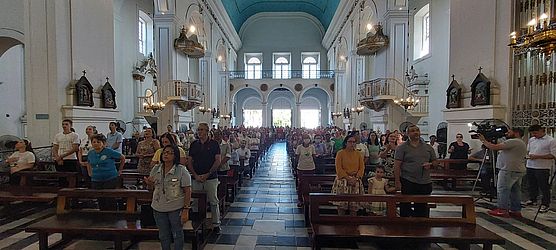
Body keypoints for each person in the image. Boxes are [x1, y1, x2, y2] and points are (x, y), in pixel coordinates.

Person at [144, 145, 192, 250]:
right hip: (158, 207)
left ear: (175, 156)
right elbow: (150, 188)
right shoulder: (156, 168)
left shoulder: (181, 170)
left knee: (177, 233)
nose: (166, 155)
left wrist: (185, 209)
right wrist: (149, 184)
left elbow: (187, 191)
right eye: (165, 152)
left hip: (175, 207)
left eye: (170, 153)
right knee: (163, 235)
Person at [479, 127, 527, 218]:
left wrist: (483, 140)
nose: (506, 133)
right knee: (515, 191)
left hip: (508, 169)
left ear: (516, 133)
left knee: (502, 189)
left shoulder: (514, 141)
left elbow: (494, 147)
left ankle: (502, 210)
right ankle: (515, 210)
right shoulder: (520, 142)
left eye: (509, 132)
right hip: (517, 169)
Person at [394, 125, 437, 217]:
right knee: (405, 206)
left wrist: (431, 165)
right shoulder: (402, 147)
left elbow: (435, 162)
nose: (416, 132)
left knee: (422, 208)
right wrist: (397, 181)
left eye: (417, 130)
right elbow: (397, 165)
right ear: (407, 133)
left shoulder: (428, 147)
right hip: (408, 180)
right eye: (413, 131)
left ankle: (420, 228)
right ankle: (405, 229)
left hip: (424, 181)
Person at [187, 123, 222, 233]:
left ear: (207, 131)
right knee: (196, 201)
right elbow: (189, 161)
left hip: (211, 178)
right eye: (198, 130)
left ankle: (216, 224)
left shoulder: (214, 144)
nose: (199, 132)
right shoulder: (194, 144)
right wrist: (195, 175)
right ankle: (198, 223)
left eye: (202, 130)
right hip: (196, 177)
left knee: (213, 201)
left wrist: (207, 174)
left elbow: (217, 161)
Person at [87, 134, 125, 210]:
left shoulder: (109, 151)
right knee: (100, 198)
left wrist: (120, 170)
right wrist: (90, 173)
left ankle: (112, 215)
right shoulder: (90, 153)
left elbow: (122, 157)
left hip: (110, 178)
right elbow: (88, 163)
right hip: (96, 179)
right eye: (94, 142)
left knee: (109, 198)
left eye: (98, 142)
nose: (96, 143)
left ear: (103, 143)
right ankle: (102, 215)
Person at [524, 125, 556, 213]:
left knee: (544, 186)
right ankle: (532, 199)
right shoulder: (532, 140)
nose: (534, 135)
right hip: (530, 165)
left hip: (542, 167)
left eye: (535, 133)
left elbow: (552, 155)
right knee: (531, 184)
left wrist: (538, 156)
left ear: (541, 130)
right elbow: (528, 151)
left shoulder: (551, 141)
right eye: (532, 133)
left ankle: (545, 203)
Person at [332, 134, 365, 215]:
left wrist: (356, 178)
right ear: (345, 143)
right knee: (341, 206)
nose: (352, 144)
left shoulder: (358, 154)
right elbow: (338, 168)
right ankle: (341, 225)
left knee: (354, 207)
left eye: (354, 142)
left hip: (355, 181)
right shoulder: (340, 153)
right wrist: (347, 178)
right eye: (350, 142)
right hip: (343, 181)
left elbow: (362, 167)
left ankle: (353, 226)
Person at [295, 134, 316, 207]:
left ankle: (309, 199)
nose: (306, 140)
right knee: (301, 184)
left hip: (311, 168)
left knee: (309, 184)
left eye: (308, 138)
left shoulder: (312, 147)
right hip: (301, 168)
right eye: (305, 138)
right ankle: (300, 199)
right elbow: (297, 157)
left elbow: (314, 156)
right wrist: (297, 166)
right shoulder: (299, 147)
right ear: (303, 139)